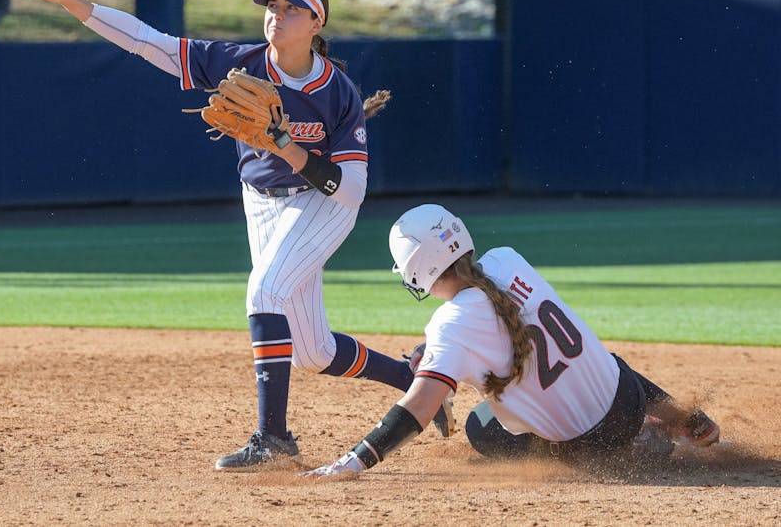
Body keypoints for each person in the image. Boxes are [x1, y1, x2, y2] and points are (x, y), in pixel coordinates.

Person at [18, 0, 448, 471]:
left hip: (322, 204)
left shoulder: (337, 91)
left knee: (264, 292)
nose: (276, 15)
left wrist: (284, 143)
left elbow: (351, 191)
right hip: (260, 202)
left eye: (291, 8)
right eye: (272, 6)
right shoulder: (240, 63)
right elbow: (145, 41)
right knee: (312, 352)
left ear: (316, 24)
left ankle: (274, 439)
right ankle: (410, 378)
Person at [305, 203, 721, 478]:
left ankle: (634, 451)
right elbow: (506, 320)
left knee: (481, 427)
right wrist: (434, 353)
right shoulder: (507, 259)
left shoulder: (449, 325)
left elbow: (418, 408)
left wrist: (354, 461)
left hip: (590, 446)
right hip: (628, 400)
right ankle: (691, 421)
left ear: (417, 269)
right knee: (602, 360)